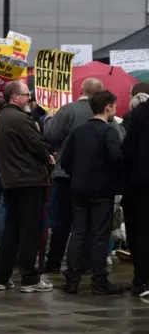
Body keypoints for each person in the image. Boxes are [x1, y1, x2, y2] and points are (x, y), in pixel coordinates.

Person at [60, 91, 125, 295]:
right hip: (101, 190)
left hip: (78, 188)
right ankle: (99, 281)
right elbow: (116, 156)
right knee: (99, 236)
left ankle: (72, 280)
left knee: (78, 233)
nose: (115, 109)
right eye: (114, 106)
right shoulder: (109, 131)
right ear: (108, 107)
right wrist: (113, 175)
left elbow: (65, 161)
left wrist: (77, 175)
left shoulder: (78, 130)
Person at [0, 80, 53, 293]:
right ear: (15, 97)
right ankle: (29, 278)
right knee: (30, 231)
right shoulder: (20, 118)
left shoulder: (2, 118)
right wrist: (47, 157)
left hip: (11, 180)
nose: (29, 98)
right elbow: (37, 145)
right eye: (26, 94)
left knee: (12, 229)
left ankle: (2, 277)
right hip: (29, 180)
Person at [44, 78, 103, 273]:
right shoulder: (102, 114)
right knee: (87, 224)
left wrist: (50, 119)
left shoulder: (68, 110)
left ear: (81, 90)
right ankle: (82, 264)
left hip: (64, 174)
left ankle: (53, 262)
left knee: (62, 222)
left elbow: (52, 136)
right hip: (93, 177)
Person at [121, 87, 149, 297]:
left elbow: (128, 150)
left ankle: (142, 279)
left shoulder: (139, 114)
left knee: (140, 232)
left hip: (140, 185)